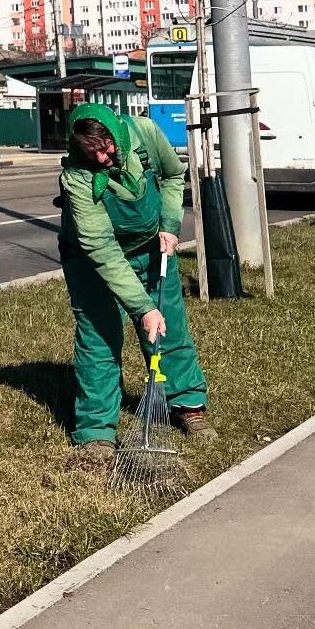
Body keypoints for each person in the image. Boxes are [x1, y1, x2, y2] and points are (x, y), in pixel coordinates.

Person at [58, 102, 214, 465]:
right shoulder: (77, 177)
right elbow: (101, 248)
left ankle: (187, 404)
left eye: (105, 147)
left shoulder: (144, 132)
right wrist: (142, 307)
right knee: (98, 338)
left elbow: (175, 176)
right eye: (90, 152)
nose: (101, 157)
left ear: (115, 132)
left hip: (151, 247)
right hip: (92, 261)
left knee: (168, 326)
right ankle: (97, 432)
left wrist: (170, 224)